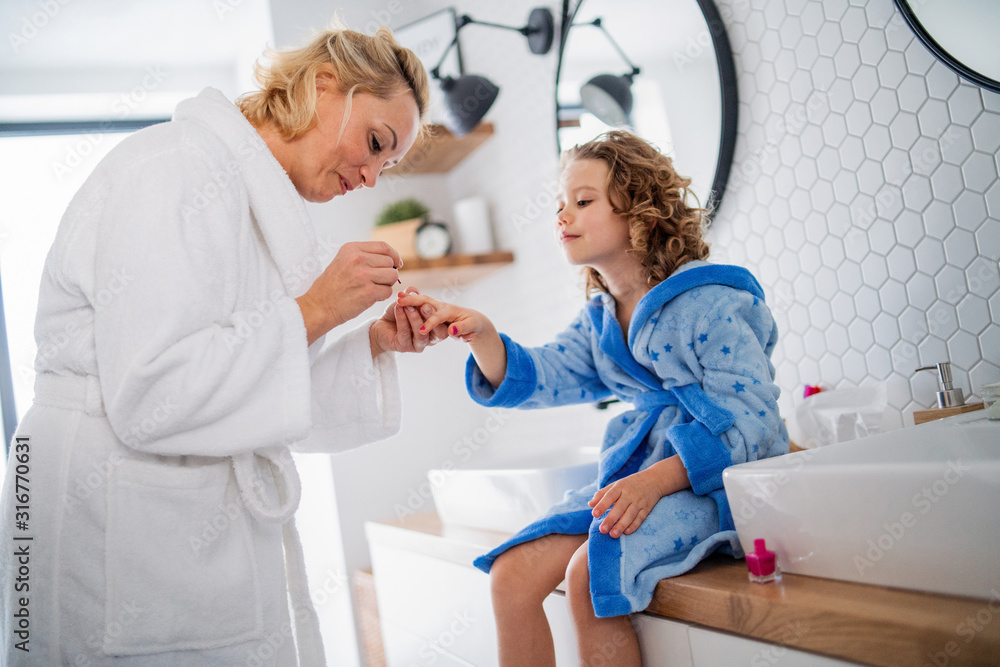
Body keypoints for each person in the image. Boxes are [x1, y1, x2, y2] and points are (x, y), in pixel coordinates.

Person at [0, 26, 446, 666]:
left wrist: (371, 343)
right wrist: (317, 307)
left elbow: (250, 402)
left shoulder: (254, 204)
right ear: (324, 86)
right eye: (376, 144)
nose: (373, 177)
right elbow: (153, 392)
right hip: (110, 522)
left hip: (186, 528)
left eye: (389, 165)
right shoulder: (177, 168)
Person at [398, 130, 790, 666]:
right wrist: (482, 335)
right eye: (560, 205)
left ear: (640, 210)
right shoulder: (603, 321)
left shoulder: (711, 302)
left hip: (716, 487)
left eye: (583, 202)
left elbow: (754, 424)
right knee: (511, 576)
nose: (562, 216)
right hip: (636, 482)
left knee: (589, 572)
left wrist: (654, 481)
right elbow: (542, 376)